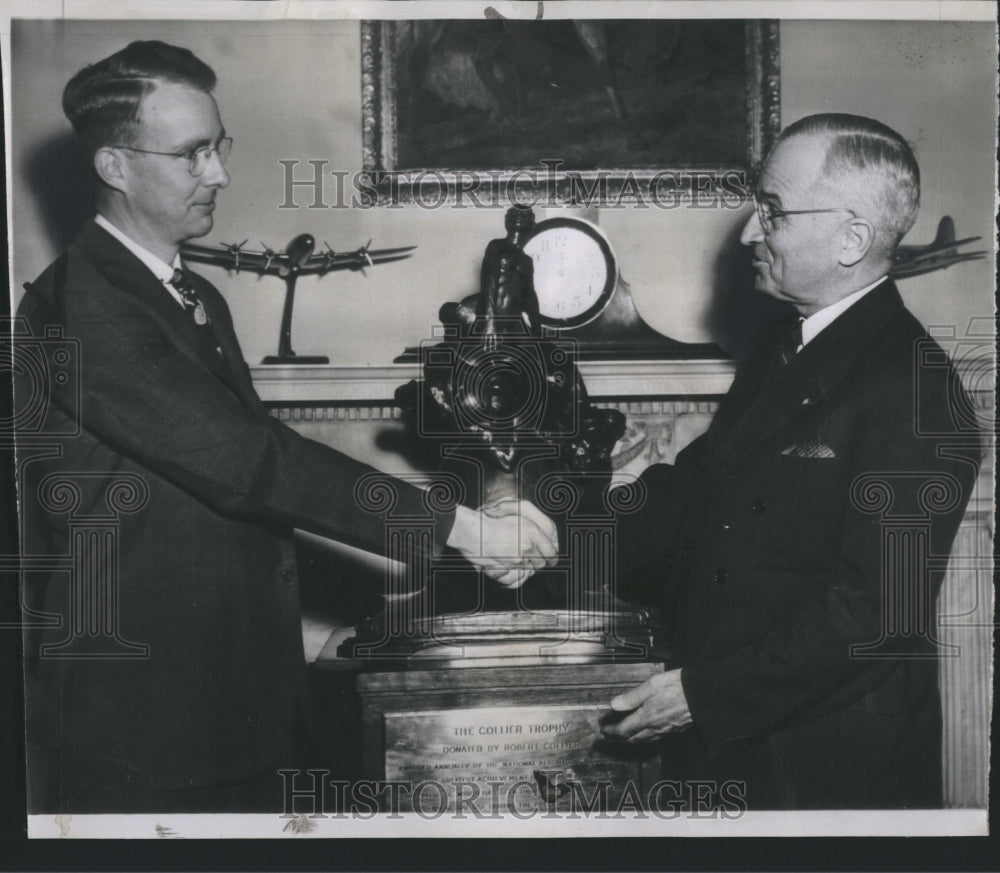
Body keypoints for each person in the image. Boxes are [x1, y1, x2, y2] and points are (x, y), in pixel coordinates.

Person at [15, 40, 557, 814]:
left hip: (226, 700)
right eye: (192, 154)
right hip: (150, 723)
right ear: (114, 165)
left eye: (219, 145)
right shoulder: (85, 306)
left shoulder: (189, 295)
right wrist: (462, 528)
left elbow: (207, 503)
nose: (220, 174)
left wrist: (299, 636)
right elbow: (248, 462)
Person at [600, 114, 981, 809]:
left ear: (852, 239)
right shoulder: (784, 347)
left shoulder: (917, 389)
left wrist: (702, 695)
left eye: (772, 211)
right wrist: (552, 527)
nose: (749, 232)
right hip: (736, 751)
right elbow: (692, 494)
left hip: (826, 773)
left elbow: (877, 616)